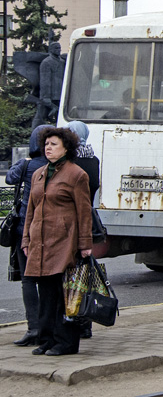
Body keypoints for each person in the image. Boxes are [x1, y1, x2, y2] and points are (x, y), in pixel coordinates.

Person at [23, 126, 92, 357]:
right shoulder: (39, 173)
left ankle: (66, 342)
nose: (48, 148)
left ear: (66, 148)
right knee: (46, 294)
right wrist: (26, 239)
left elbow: (84, 212)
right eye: (46, 144)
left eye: (54, 144)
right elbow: (31, 210)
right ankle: (46, 340)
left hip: (64, 241)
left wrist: (85, 244)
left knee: (65, 295)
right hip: (40, 242)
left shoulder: (76, 174)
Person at [5, 125, 51, 346]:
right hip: (52, 230)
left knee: (28, 280)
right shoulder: (60, 166)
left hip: (25, 228)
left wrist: (22, 161)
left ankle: (34, 328)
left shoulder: (27, 165)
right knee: (50, 280)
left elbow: (9, 179)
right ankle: (51, 326)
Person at [66, 121, 100, 340]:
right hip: (88, 220)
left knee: (70, 274)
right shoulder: (93, 160)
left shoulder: (70, 163)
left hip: (73, 222)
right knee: (83, 274)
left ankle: (73, 319)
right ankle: (85, 323)